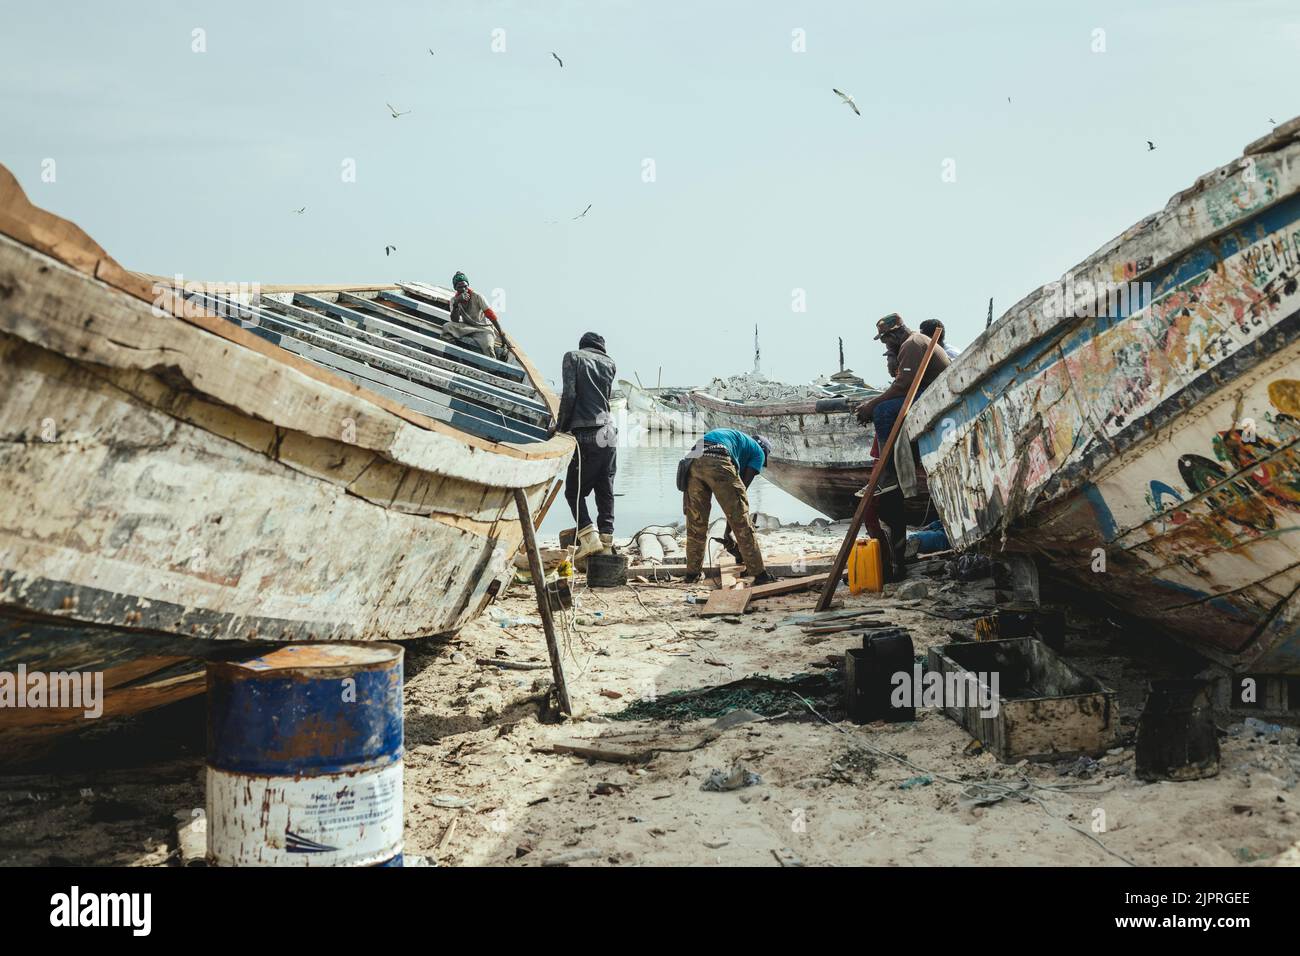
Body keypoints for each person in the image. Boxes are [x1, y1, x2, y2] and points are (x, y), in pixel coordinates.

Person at [855, 313, 950, 490]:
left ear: (894, 335)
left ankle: (890, 473)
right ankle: (901, 462)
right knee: (885, 406)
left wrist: (871, 405)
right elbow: (903, 383)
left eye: (885, 340)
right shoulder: (911, 342)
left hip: (934, 393)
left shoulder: (911, 344)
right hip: (930, 390)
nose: (885, 344)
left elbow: (903, 385)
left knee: (883, 411)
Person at [682, 429, 776, 585]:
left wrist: (728, 531)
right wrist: (729, 531)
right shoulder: (759, 452)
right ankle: (759, 574)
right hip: (718, 457)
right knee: (742, 521)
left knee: (696, 522)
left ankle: (692, 574)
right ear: (765, 451)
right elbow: (739, 499)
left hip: (693, 458)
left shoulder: (739, 442)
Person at [559, 332, 618, 561]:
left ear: (582, 345)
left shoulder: (573, 357)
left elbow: (570, 395)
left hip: (587, 432)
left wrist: (560, 427)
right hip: (609, 433)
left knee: (573, 492)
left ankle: (588, 538)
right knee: (605, 488)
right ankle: (606, 543)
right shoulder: (610, 363)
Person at [445, 271, 502, 356]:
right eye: (460, 287)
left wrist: (502, 335)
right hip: (467, 327)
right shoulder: (454, 300)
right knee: (447, 326)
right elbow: (454, 320)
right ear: (455, 288)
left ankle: (490, 368)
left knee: (488, 347)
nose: (464, 289)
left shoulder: (477, 296)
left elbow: (491, 315)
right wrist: (456, 303)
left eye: (465, 286)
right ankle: (449, 353)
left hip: (483, 328)